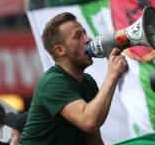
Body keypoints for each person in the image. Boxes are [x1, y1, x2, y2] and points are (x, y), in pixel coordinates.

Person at [20, 12, 128, 144]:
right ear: (60, 50)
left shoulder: (88, 82)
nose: (88, 39)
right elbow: (89, 121)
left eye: (85, 33)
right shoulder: (52, 82)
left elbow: (94, 141)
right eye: (78, 36)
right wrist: (112, 76)